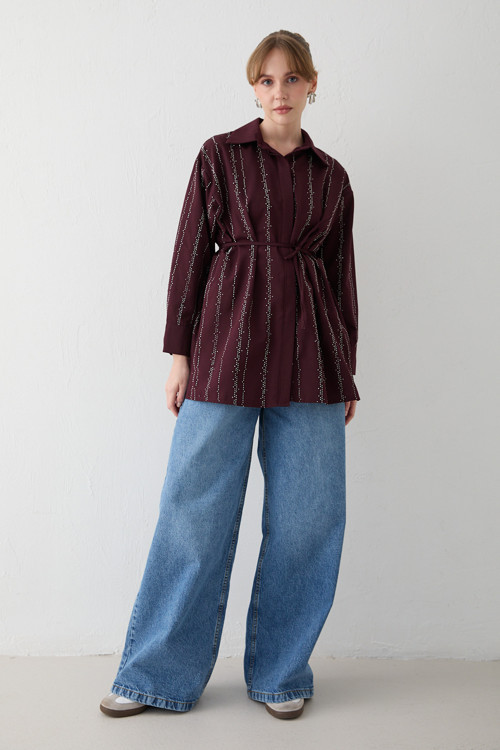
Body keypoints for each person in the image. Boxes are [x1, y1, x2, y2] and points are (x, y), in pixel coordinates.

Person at [100, 29, 360, 722]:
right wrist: (179, 354)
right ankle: (154, 675)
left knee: (308, 522)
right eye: (267, 80)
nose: (280, 91)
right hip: (224, 352)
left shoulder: (332, 178)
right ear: (254, 88)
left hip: (313, 362)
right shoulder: (219, 156)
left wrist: (348, 372)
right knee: (193, 516)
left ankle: (281, 673)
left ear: (311, 84)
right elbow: (190, 253)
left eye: (292, 78)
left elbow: (342, 279)